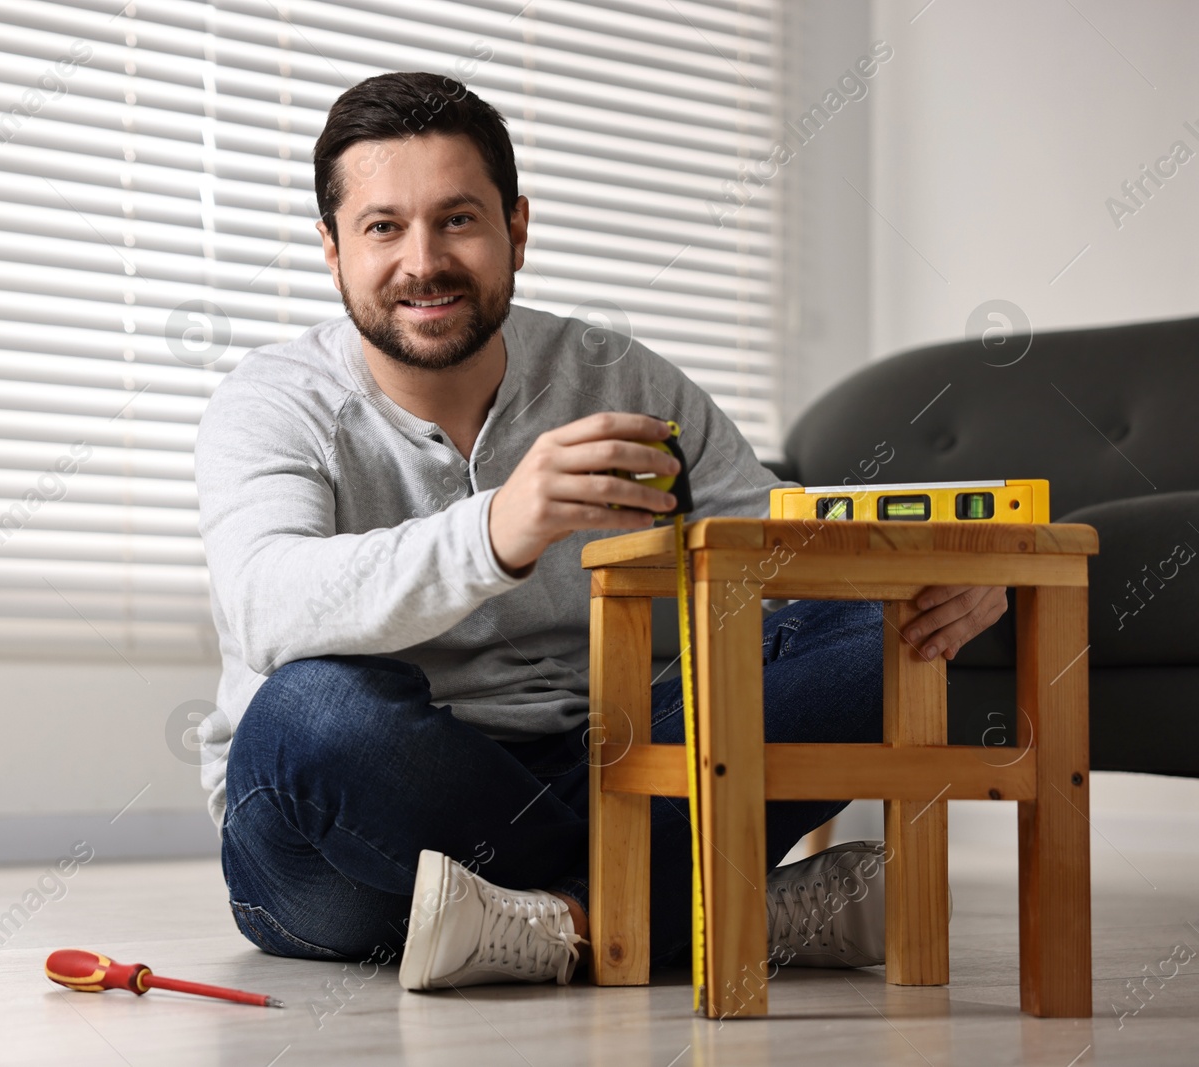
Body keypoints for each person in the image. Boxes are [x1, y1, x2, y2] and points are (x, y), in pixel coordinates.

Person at [192, 71, 1009, 991]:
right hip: (354, 825)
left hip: (601, 761)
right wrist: (499, 528)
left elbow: (770, 542)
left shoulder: (615, 376)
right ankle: (722, 902)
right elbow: (266, 605)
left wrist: (932, 571)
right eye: (383, 226)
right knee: (308, 711)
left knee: (891, 635)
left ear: (518, 230)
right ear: (333, 251)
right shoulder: (271, 402)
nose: (423, 260)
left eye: (458, 219)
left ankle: (574, 919)